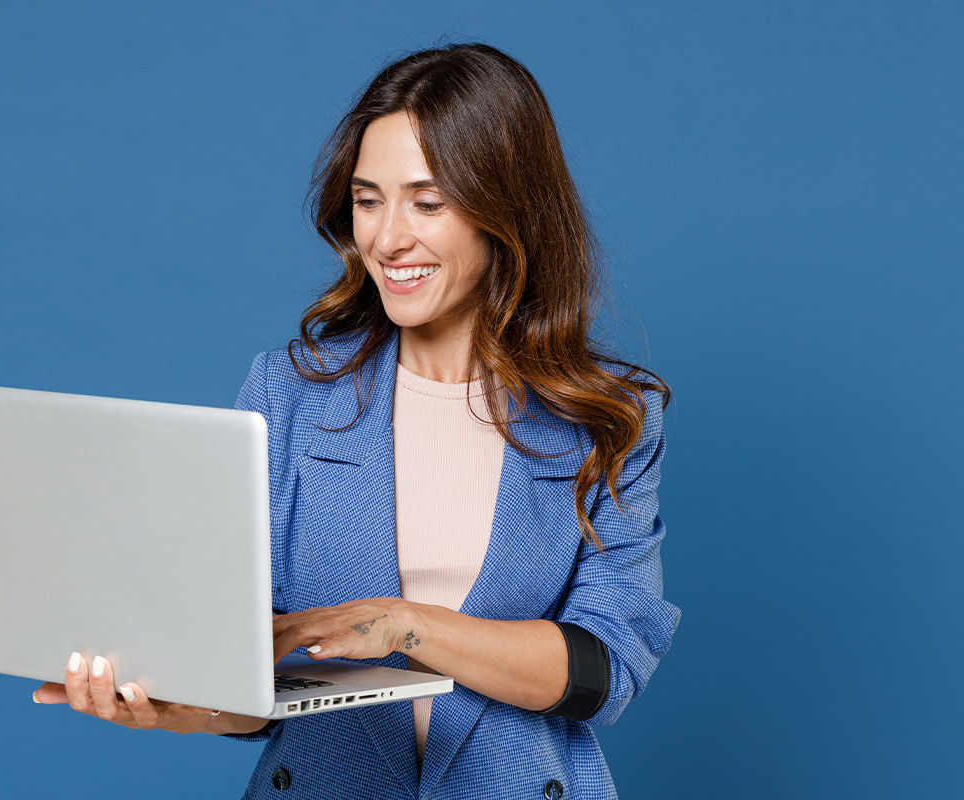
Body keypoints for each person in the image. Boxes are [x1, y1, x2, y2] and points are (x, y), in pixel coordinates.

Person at [33, 42, 678, 799]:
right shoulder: (290, 394)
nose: (387, 238)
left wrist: (405, 626)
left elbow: (606, 666)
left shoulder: (609, 416)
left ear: (508, 210)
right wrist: (186, 708)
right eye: (369, 199)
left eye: (428, 202)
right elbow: (251, 666)